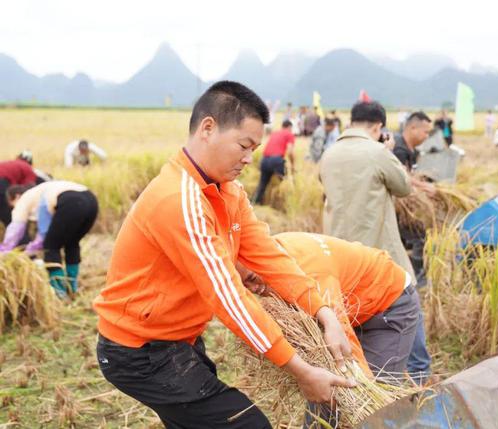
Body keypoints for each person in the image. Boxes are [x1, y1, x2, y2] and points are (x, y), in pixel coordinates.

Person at [93, 81, 355, 429]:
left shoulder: (229, 192)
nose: (249, 158)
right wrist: (300, 370)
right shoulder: (179, 199)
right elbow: (229, 298)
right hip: (139, 350)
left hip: (178, 340)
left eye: (254, 149)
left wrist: (324, 313)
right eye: (244, 146)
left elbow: (269, 256)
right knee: (248, 425)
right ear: (208, 128)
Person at [237, 232, 421, 427]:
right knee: (324, 399)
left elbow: (345, 349)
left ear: (261, 262)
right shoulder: (271, 252)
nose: (253, 289)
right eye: (244, 284)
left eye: (253, 278)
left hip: (389, 305)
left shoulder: (313, 275)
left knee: (374, 412)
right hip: (353, 306)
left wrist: (359, 393)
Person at [320, 101, 432, 383]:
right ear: (379, 127)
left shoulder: (329, 154)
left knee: (357, 317)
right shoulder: (377, 152)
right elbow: (404, 187)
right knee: (406, 303)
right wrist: (388, 152)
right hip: (378, 251)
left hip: (339, 254)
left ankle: (361, 376)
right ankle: (418, 378)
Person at [391, 112, 435, 383]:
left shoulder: (408, 150)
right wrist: (424, 189)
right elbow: (402, 182)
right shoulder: (396, 148)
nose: (427, 136)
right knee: (418, 238)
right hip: (396, 217)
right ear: (413, 128)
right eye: (425, 131)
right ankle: (419, 371)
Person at [0, 180, 98, 297]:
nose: (13, 209)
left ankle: (60, 293)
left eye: (12, 206)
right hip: (91, 201)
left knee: (50, 247)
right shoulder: (40, 192)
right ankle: (72, 287)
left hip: (72, 201)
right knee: (72, 243)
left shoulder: (23, 200)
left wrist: (5, 253)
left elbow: (16, 230)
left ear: (16, 197)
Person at [253, 120, 296, 205]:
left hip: (264, 160)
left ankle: (255, 203)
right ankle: (288, 205)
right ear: (290, 127)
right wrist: (292, 165)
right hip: (276, 160)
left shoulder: (275, 133)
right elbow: (290, 151)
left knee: (262, 184)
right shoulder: (289, 134)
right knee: (286, 182)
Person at [0, 156, 37, 229]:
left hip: (3, 180)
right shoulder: (29, 170)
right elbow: (28, 190)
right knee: (7, 212)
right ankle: (16, 234)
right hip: (1, 181)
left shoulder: (13, 163)